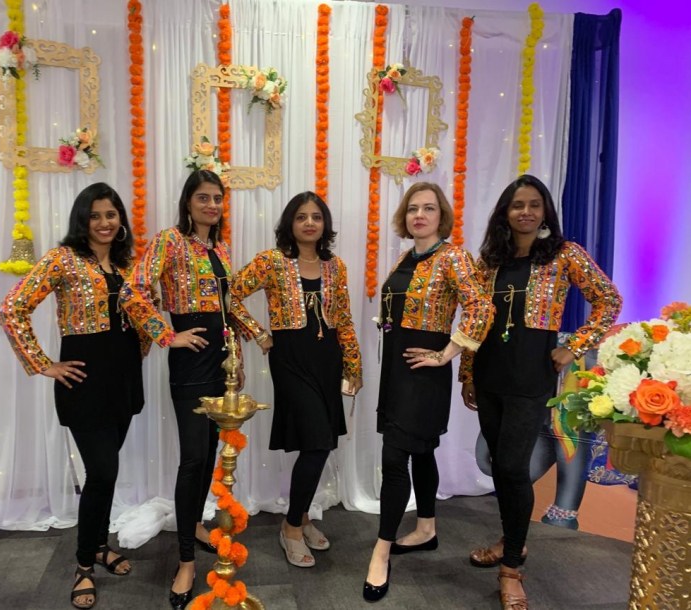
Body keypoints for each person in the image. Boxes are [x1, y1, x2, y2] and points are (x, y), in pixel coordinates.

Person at [459, 174, 622, 610]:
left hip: (531, 376)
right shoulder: (488, 260)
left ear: (545, 210)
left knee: (514, 466)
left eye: (534, 204)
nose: (526, 212)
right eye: (518, 205)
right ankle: (511, 540)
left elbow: (608, 300)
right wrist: (468, 374)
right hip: (489, 372)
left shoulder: (564, 254)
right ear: (505, 212)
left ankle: (511, 569)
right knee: (500, 464)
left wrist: (575, 346)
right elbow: (475, 320)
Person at [0, 182, 148, 610]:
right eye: (95, 215)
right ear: (83, 219)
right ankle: (83, 564)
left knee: (108, 472)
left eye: (111, 214)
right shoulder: (62, 259)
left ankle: (99, 546)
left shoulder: (127, 265)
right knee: (101, 471)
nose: (104, 222)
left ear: (120, 219)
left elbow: (144, 315)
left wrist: (143, 345)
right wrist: (43, 363)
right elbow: (12, 308)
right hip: (84, 381)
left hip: (123, 379)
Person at [362, 182, 494, 603]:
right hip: (396, 370)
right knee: (420, 452)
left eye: (429, 208)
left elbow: (482, 307)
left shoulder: (453, 257)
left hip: (423, 375)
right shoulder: (406, 257)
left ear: (442, 216)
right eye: (413, 208)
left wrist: (448, 352)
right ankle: (426, 528)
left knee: (394, 458)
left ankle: (381, 551)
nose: (420, 215)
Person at [119, 170, 245, 610]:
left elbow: (227, 309)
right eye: (203, 198)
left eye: (217, 198)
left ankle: (192, 523)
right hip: (191, 362)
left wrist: (237, 360)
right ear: (188, 202)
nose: (212, 205)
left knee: (209, 453)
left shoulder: (220, 248)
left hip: (221, 361)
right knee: (193, 458)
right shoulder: (169, 241)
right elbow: (132, 291)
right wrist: (167, 335)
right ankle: (187, 562)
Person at [230, 191, 363, 569]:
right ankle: (290, 528)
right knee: (317, 442)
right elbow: (231, 295)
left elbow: (344, 319)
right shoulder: (272, 261)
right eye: (301, 216)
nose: (309, 223)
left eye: (316, 217)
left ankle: (302, 517)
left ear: (325, 224)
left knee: (320, 442)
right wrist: (259, 334)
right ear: (290, 223)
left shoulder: (335, 266)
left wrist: (354, 365)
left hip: (327, 359)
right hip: (290, 360)